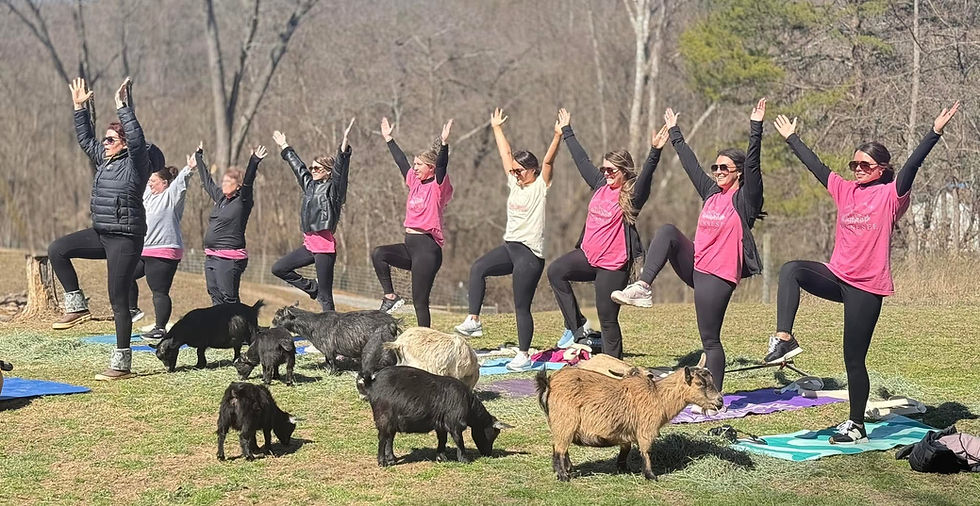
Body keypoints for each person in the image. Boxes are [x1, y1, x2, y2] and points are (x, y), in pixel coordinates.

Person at [763, 102, 959, 444]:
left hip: (867, 289)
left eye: (864, 165)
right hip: (837, 276)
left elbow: (912, 166)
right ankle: (785, 339)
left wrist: (934, 132)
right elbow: (817, 168)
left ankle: (856, 425)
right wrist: (792, 138)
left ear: (881, 169)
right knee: (791, 270)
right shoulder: (845, 190)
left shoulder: (891, 195)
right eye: (853, 164)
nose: (856, 169)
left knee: (853, 358)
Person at [611, 99, 767, 397]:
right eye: (716, 167)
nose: (718, 171)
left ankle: (715, 398)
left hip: (718, 277)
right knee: (668, 231)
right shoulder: (711, 192)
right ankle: (643, 285)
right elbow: (690, 164)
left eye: (725, 168)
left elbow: (755, 165)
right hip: (697, 265)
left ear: (738, 173)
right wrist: (674, 133)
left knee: (710, 341)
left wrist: (755, 128)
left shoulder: (745, 201)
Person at [48, 77, 156, 380]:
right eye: (105, 140)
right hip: (101, 232)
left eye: (109, 139)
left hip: (125, 238)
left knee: (118, 299)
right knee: (57, 249)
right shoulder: (104, 159)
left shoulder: (137, 164)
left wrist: (123, 108)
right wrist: (79, 107)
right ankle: (78, 305)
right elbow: (84, 140)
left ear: (121, 143)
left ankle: (122, 364)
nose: (104, 143)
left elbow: (137, 140)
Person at [546, 109, 665, 359]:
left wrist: (654, 152)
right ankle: (577, 327)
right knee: (556, 270)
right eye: (604, 170)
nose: (606, 174)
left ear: (624, 171)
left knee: (608, 319)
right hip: (588, 256)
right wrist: (567, 130)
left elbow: (645, 178)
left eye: (612, 171)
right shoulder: (600, 186)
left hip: (612, 266)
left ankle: (613, 366)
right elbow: (582, 162)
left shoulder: (631, 196)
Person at [453, 108, 561, 370]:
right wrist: (497, 128)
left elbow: (548, 162)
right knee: (479, 267)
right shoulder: (515, 183)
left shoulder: (540, 186)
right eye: (514, 171)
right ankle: (474, 320)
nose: (516, 174)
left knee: (520, 305)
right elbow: (506, 154)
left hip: (530, 254)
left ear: (532, 171)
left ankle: (523, 355)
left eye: (520, 171)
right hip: (510, 247)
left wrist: (557, 135)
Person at [371, 117, 454, 327]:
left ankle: (424, 339)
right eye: (415, 164)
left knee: (420, 301)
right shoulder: (414, 182)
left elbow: (443, 165)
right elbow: (401, 161)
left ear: (431, 168)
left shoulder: (437, 186)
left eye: (419, 165)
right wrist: (389, 139)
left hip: (427, 250)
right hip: (410, 246)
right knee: (379, 253)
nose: (414, 168)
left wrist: (444, 144)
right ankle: (390, 297)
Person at [270, 118, 355, 311]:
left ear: (327, 172)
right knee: (279, 268)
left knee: (325, 299)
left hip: (324, 249)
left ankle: (332, 335)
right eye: (312, 168)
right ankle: (312, 287)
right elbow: (298, 167)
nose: (313, 171)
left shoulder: (334, 191)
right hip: (309, 245)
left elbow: (341, 171)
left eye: (317, 168)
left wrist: (343, 146)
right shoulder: (309, 185)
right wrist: (285, 146)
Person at [129, 161, 194, 341]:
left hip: (164, 251)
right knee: (124, 274)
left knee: (159, 290)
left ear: (164, 183)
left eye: (154, 180)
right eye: (149, 180)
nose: (150, 183)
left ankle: (160, 329)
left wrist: (188, 168)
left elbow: (181, 182)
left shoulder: (171, 196)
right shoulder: (148, 196)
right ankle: (132, 309)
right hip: (144, 250)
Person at [195, 141, 267, 305]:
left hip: (229, 257)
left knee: (229, 297)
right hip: (212, 256)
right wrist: (198, 156)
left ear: (238, 185)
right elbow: (207, 182)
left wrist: (254, 161)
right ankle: (220, 329)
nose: (223, 184)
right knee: (215, 295)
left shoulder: (243, 201)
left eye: (228, 182)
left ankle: (242, 329)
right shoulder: (221, 198)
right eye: (223, 181)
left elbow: (248, 182)